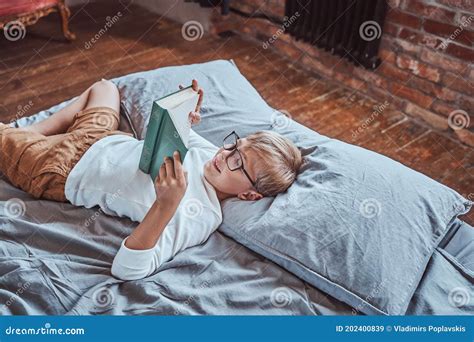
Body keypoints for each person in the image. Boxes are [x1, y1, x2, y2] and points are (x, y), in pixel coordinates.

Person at [0, 79, 304, 280]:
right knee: (105, 88)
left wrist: (165, 205)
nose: (225, 154)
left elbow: (128, 270)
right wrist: (184, 114)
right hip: (102, 138)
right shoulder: (212, 156)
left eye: (238, 161)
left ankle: (19, 137)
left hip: (61, 168)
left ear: (250, 196)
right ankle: (30, 132)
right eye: (235, 144)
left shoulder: (200, 214)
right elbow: (166, 134)